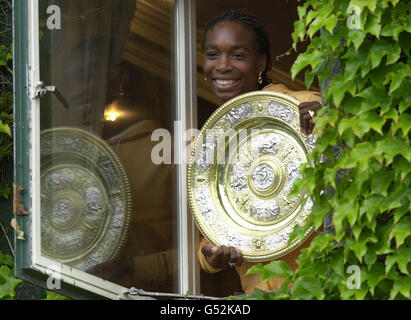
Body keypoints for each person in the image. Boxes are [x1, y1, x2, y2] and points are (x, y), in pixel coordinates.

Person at [197, 9, 322, 294]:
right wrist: (211, 254)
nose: (222, 66)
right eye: (212, 54)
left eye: (238, 55)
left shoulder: (303, 107)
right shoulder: (204, 145)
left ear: (261, 62)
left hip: (322, 285)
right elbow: (203, 240)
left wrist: (332, 128)